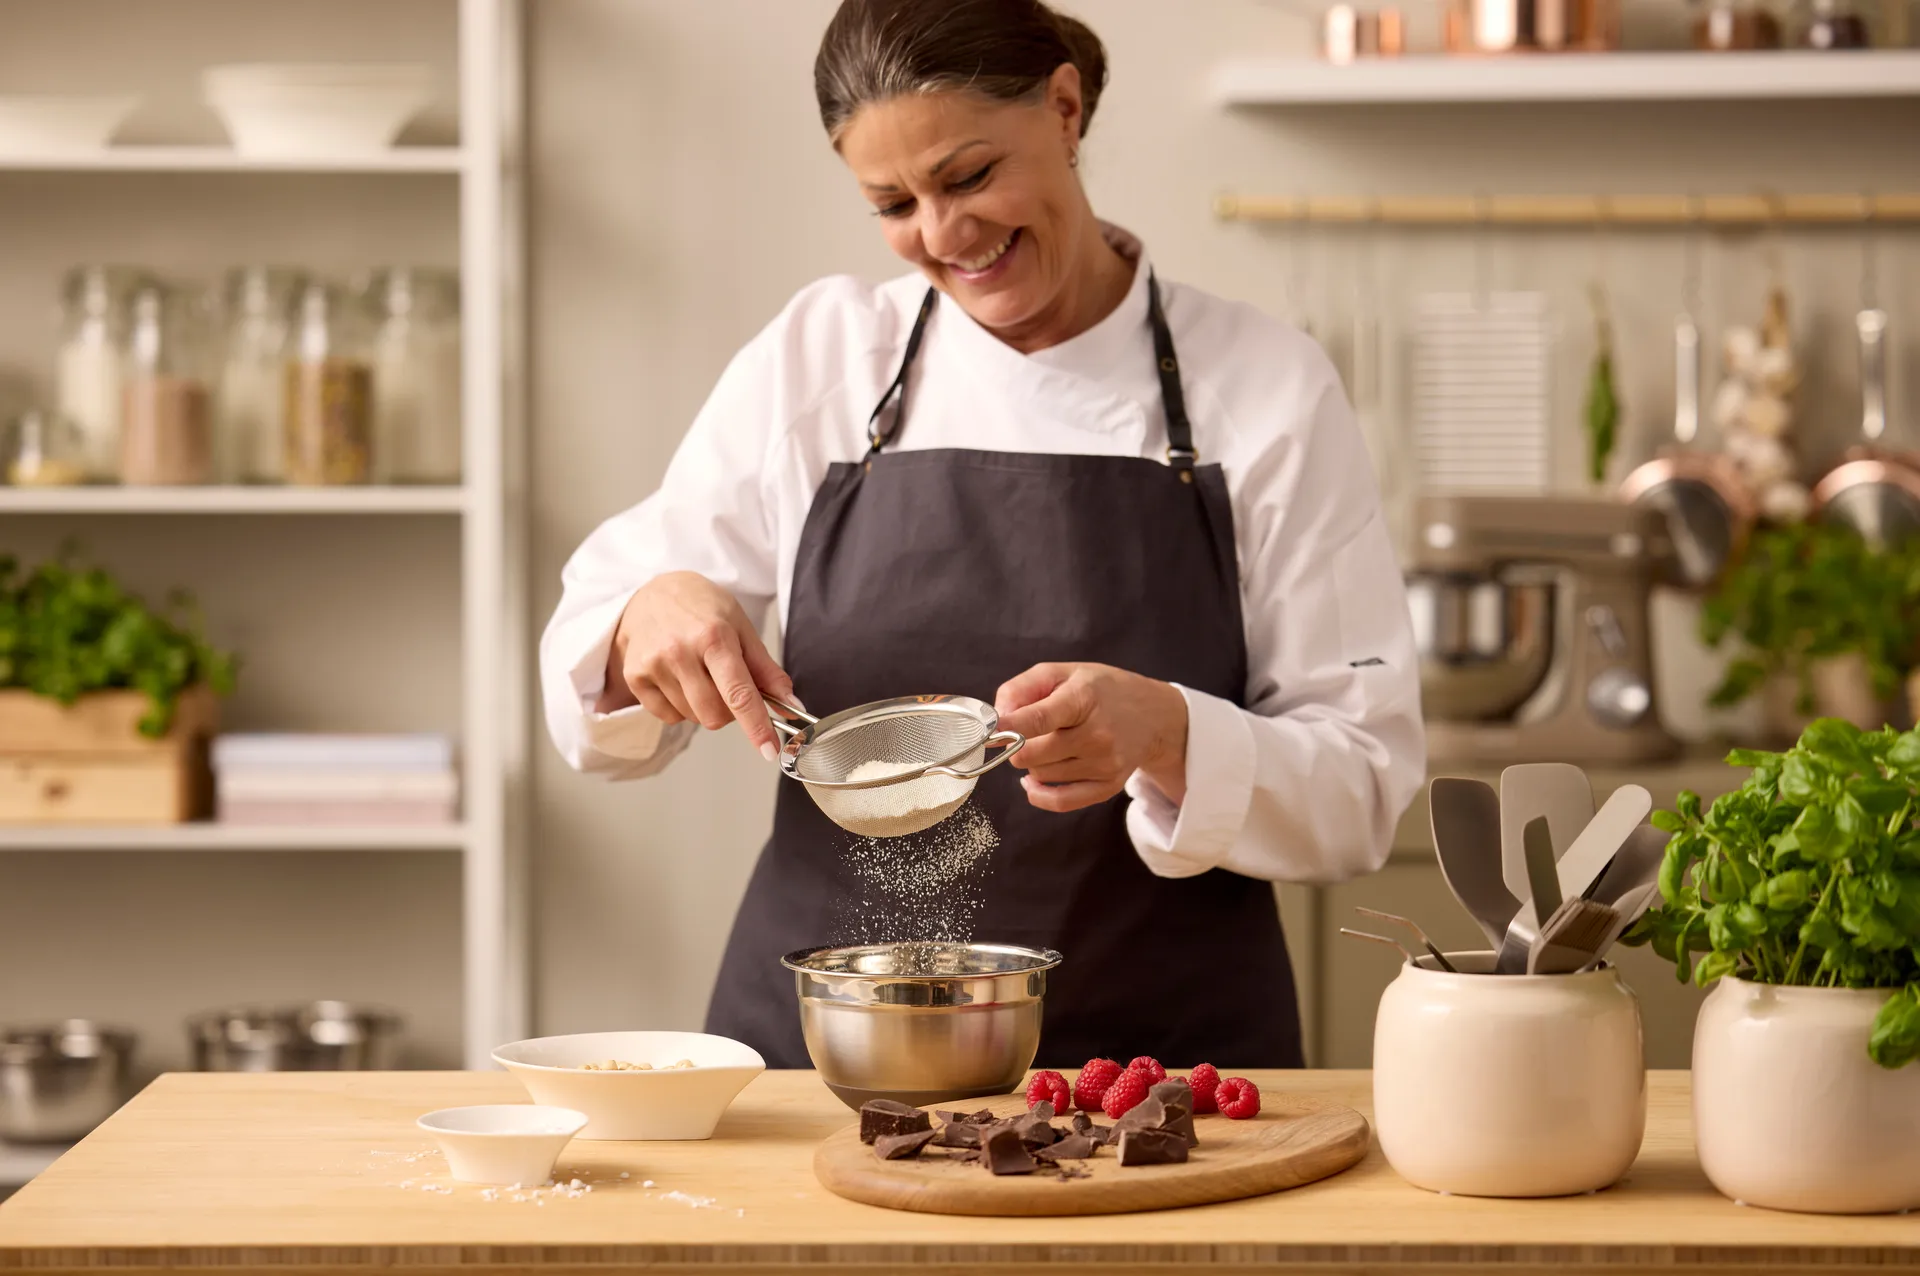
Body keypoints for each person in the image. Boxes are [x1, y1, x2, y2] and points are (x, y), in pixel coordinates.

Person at [540, 0, 1424, 1069]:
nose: (943, 234)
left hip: (1159, 1072)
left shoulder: (1266, 385)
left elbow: (1363, 788)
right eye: (891, 203)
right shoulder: (822, 357)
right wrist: (649, 612)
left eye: (966, 177)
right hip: (828, 1060)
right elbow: (597, 685)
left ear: (1063, 107)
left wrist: (1168, 733)